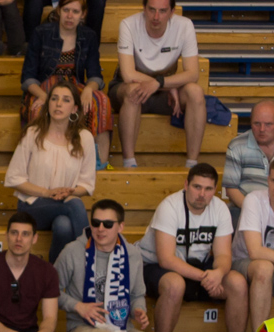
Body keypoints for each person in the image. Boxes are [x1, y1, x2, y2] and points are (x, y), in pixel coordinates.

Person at [56, 199, 184, 332]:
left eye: (108, 224)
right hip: (83, 329)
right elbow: (50, 292)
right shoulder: (73, 251)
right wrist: (78, 306)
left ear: (120, 226)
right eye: (96, 223)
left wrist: (139, 310)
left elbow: (137, 295)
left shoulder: (132, 255)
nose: (100, 229)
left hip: (122, 328)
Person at [139, 163, 246, 332]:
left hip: (196, 266)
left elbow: (223, 254)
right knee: (174, 284)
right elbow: (166, 259)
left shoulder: (220, 210)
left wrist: (218, 273)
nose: (202, 194)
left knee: (237, 283)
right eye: (197, 187)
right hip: (155, 265)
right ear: (186, 184)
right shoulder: (170, 206)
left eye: (208, 189)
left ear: (215, 190)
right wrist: (206, 279)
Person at [6, 83, 96, 265]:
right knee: (75, 205)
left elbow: (87, 184)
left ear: (75, 108)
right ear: (48, 105)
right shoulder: (33, 133)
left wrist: (68, 192)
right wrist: (48, 193)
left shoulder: (85, 137)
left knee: (63, 226)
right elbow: (14, 178)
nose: (58, 104)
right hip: (32, 206)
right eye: (54, 99)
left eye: (66, 100)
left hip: (64, 204)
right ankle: (91, 261)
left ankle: (55, 274)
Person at [111, 0, 205, 169]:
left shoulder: (184, 25)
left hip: (164, 92)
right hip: (131, 88)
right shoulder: (128, 24)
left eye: (162, 11)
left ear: (172, 11)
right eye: (151, 10)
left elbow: (193, 74)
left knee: (196, 92)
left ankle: (192, 165)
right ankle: (129, 163)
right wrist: (167, 85)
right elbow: (128, 75)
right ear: (144, 8)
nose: (156, 17)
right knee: (134, 90)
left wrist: (161, 83)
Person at [22, 0, 111, 169]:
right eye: (66, 10)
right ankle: (39, 163)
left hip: (74, 84)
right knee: (38, 107)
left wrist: (88, 89)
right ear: (58, 11)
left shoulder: (89, 35)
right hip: (45, 87)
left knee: (101, 101)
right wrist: (44, 96)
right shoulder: (41, 33)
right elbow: (27, 77)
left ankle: (100, 164)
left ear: (83, 14)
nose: (70, 16)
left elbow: (95, 75)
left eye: (75, 12)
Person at [234, 184, 274, 332]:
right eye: (273, 180)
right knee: (264, 267)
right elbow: (255, 251)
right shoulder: (254, 200)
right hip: (243, 263)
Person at [225, 102, 274, 223]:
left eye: (268, 124)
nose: (262, 129)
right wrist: (253, 210)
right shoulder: (237, 145)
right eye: (257, 123)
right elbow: (231, 189)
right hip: (245, 208)